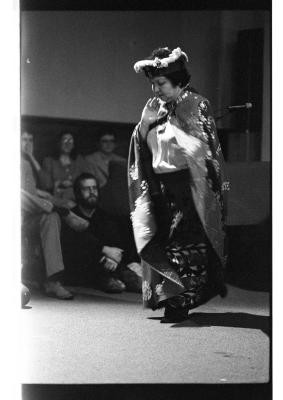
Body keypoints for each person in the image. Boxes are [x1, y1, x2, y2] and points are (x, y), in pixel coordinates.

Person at [128, 47, 230, 322]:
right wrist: (144, 125)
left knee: (181, 244)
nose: (155, 89)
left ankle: (179, 301)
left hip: (190, 187)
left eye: (160, 83)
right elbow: (141, 146)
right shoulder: (153, 108)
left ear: (178, 80)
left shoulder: (196, 104)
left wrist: (178, 129)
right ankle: (171, 298)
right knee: (161, 240)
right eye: (152, 84)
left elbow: (205, 150)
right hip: (160, 188)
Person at [21, 131, 89, 300]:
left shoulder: (25, 164)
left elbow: (30, 193)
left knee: (51, 218)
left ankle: (53, 280)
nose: (27, 143)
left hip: (28, 215)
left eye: (30, 140)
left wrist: (43, 196)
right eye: (23, 139)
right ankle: (60, 210)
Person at [61, 172, 142, 293]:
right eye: (86, 189)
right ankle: (110, 279)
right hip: (83, 265)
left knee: (134, 279)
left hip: (109, 264)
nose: (92, 192)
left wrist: (113, 258)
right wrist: (103, 255)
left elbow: (116, 244)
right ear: (78, 193)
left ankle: (119, 277)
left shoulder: (104, 216)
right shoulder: (72, 217)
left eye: (94, 188)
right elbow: (75, 247)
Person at [40, 131, 89, 208]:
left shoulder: (80, 160)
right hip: (56, 201)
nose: (68, 143)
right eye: (65, 140)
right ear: (59, 143)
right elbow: (46, 185)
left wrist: (73, 183)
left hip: (78, 200)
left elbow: (87, 182)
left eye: (71, 140)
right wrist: (60, 183)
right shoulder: (49, 161)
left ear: (74, 145)